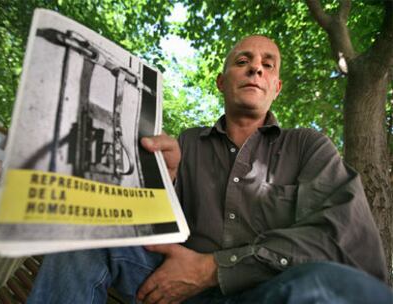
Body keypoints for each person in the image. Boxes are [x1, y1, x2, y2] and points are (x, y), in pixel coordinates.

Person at [27, 35, 393, 304]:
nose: (255, 68)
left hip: (270, 295)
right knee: (89, 233)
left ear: (276, 88)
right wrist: (158, 182)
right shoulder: (186, 144)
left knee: (330, 285)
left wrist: (214, 268)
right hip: (172, 291)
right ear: (221, 81)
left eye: (268, 65)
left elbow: (344, 242)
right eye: (243, 61)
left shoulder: (308, 146)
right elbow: (151, 229)